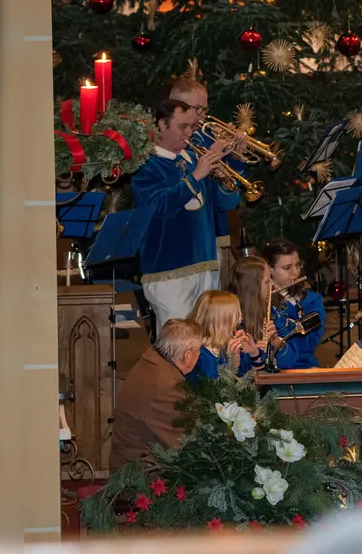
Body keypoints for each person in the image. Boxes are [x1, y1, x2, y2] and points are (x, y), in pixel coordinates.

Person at [132, 99, 239, 324]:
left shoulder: (192, 159)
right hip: (169, 270)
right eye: (183, 126)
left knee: (206, 336)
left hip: (205, 262)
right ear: (162, 125)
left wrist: (224, 176)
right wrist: (196, 176)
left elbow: (225, 205)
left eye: (192, 126)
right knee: (177, 339)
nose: (190, 132)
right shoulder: (146, 165)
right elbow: (158, 207)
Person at [111, 319, 203, 470]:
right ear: (187, 355)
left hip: (130, 459)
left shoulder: (152, 360)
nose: (200, 355)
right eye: (199, 350)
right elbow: (184, 445)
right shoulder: (167, 387)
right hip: (142, 473)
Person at [261, 239, 327, 369]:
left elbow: (309, 342)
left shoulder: (312, 300)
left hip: (304, 367)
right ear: (270, 269)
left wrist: (280, 322)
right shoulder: (261, 300)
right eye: (287, 268)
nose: (295, 272)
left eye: (298, 265)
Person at [187, 289, 261, 380]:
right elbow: (219, 387)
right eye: (236, 315)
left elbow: (251, 379)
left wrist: (253, 352)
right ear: (220, 322)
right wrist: (232, 365)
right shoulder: (200, 355)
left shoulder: (223, 346)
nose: (240, 320)